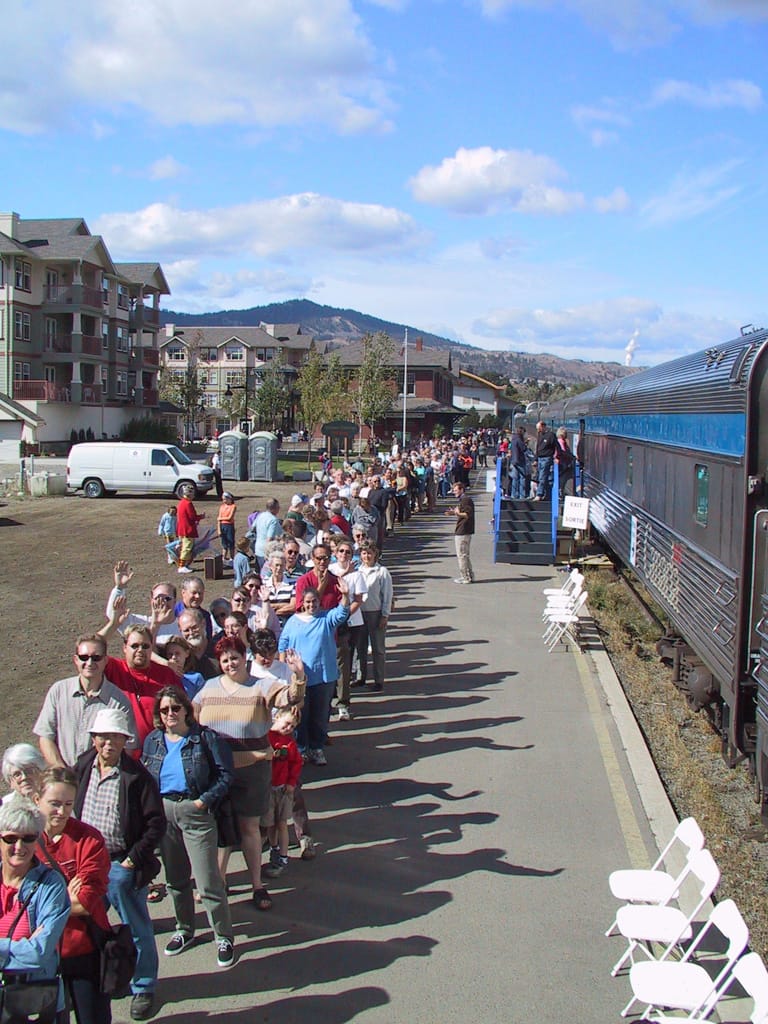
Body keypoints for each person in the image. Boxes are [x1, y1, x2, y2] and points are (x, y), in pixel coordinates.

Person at [193, 636, 305, 912]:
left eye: (235, 656)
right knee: (219, 830)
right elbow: (192, 720)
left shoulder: (261, 686)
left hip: (253, 769)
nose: (231, 663)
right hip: (218, 772)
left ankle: (256, 884)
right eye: (225, 659)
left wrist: (298, 675)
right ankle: (217, 883)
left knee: (249, 828)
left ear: (245, 658)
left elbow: (290, 697)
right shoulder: (207, 689)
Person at [74, 708, 166, 1023]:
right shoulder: (84, 766)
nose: (108, 743)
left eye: (115, 737)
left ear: (125, 740)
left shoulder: (137, 776)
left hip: (120, 863)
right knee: (90, 926)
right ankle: (111, 977)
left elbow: (156, 825)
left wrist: (131, 861)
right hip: (88, 863)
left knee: (136, 928)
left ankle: (143, 987)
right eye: (103, 737)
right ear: (94, 739)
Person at [141, 686, 235, 969]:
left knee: (208, 882)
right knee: (176, 880)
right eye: (164, 710)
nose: (170, 714)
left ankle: (223, 936)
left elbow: (226, 774)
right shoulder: (153, 741)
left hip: (194, 812)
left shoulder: (204, 738)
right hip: (164, 812)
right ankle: (185, 930)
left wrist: (203, 802)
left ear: (186, 709)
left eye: (175, 708)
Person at [35, 766, 113, 1024]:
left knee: (92, 1018)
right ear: (37, 800)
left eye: (68, 804)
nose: (62, 811)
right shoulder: (23, 841)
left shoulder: (89, 840)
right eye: (54, 803)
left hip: (83, 947)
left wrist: (41, 901)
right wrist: (64, 898)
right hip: (39, 952)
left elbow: (86, 903)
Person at [0, 798, 70, 1015]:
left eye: (28, 838)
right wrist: (19, 946)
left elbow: (38, 953)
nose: (19, 847)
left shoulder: (51, 885)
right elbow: (28, 950)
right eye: (11, 838)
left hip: (31, 1001)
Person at [34, 632, 136, 768]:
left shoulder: (119, 702)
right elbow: (45, 736)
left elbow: (128, 747)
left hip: (97, 779)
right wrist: (62, 771)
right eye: (84, 657)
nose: (89, 663)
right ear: (76, 660)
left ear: (105, 661)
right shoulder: (58, 691)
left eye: (96, 658)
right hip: (63, 777)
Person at [278, 579, 351, 766]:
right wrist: (282, 671)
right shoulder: (293, 622)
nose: (311, 605)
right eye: (308, 602)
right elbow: (283, 645)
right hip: (299, 678)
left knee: (319, 715)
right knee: (300, 715)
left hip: (323, 676)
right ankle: (302, 749)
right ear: (302, 602)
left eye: (315, 602)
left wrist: (345, 595)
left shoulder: (326, 619)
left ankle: (317, 748)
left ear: (319, 602)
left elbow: (342, 613)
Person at [329, 538, 367, 720]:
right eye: (341, 551)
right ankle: (332, 697)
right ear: (335, 553)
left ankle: (343, 701)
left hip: (351, 621)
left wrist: (344, 615)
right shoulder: (331, 570)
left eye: (348, 552)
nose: (344, 554)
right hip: (331, 622)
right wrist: (345, 572)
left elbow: (358, 599)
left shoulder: (357, 575)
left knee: (346, 661)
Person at [261, 706, 302, 879]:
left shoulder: (290, 742)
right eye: (286, 724)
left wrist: (291, 783)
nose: (289, 729)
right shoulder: (265, 737)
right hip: (267, 788)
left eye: (292, 727)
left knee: (282, 823)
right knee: (270, 823)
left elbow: (296, 763)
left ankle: (283, 857)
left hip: (283, 789)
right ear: (276, 717)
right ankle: (274, 848)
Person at [355, 541, 393, 692]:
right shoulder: (357, 571)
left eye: (369, 553)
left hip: (375, 613)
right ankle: (360, 677)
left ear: (375, 554)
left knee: (378, 648)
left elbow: (387, 595)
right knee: (360, 647)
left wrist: (385, 615)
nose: (366, 556)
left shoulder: (381, 572)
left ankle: (379, 680)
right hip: (359, 612)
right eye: (364, 553)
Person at [446, 481, 475, 584]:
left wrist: (457, 513)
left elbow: (467, 514)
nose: (454, 492)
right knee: (465, 555)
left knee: (461, 555)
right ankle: (469, 575)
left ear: (461, 489)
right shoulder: (463, 500)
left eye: (456, 490)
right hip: (464, 530)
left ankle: (465, 577)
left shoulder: (466, 500)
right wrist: (454, 512)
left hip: (463, 530)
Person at [176, 485, 205, 575]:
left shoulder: (181, 502)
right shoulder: (188, 504)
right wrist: (200, 517)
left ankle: (184, 565)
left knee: (185, 547)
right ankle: (181, 566)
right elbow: (192, 517)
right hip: (188, 529)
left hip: (182, 528)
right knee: (187, 548)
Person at [246, 499, 283, 570]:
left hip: (258, 549)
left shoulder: (260, 515)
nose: (279, 508)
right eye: (278, 507)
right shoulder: (273, 520)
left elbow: (252, 528)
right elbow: (269, 538)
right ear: (274, 508)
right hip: (267, 552)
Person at [534, 421, 557, 502]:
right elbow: (537, 448)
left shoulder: (551, 435)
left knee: (542, 477)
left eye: (539, 428)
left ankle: (539, 494)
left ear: (543, 426)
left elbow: (556, 446)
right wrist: (536, 459)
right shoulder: (540, 435)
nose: (538, 430)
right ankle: (547, 495)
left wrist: (556, 457)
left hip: (547, 458)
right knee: (544, 477)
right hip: (540, 458)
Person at [216, 492, 237, 563]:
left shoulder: (233, 506)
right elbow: (218, 519)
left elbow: (230, 517)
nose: (224, 501)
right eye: (223, 500)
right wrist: (219, 529)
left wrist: (220, 518)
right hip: (222, 525)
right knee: (224, 543)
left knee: (231, 542)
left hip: (229, 526)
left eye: (225, 499)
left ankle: (232, 558)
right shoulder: (222, 507)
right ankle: (223, 558)